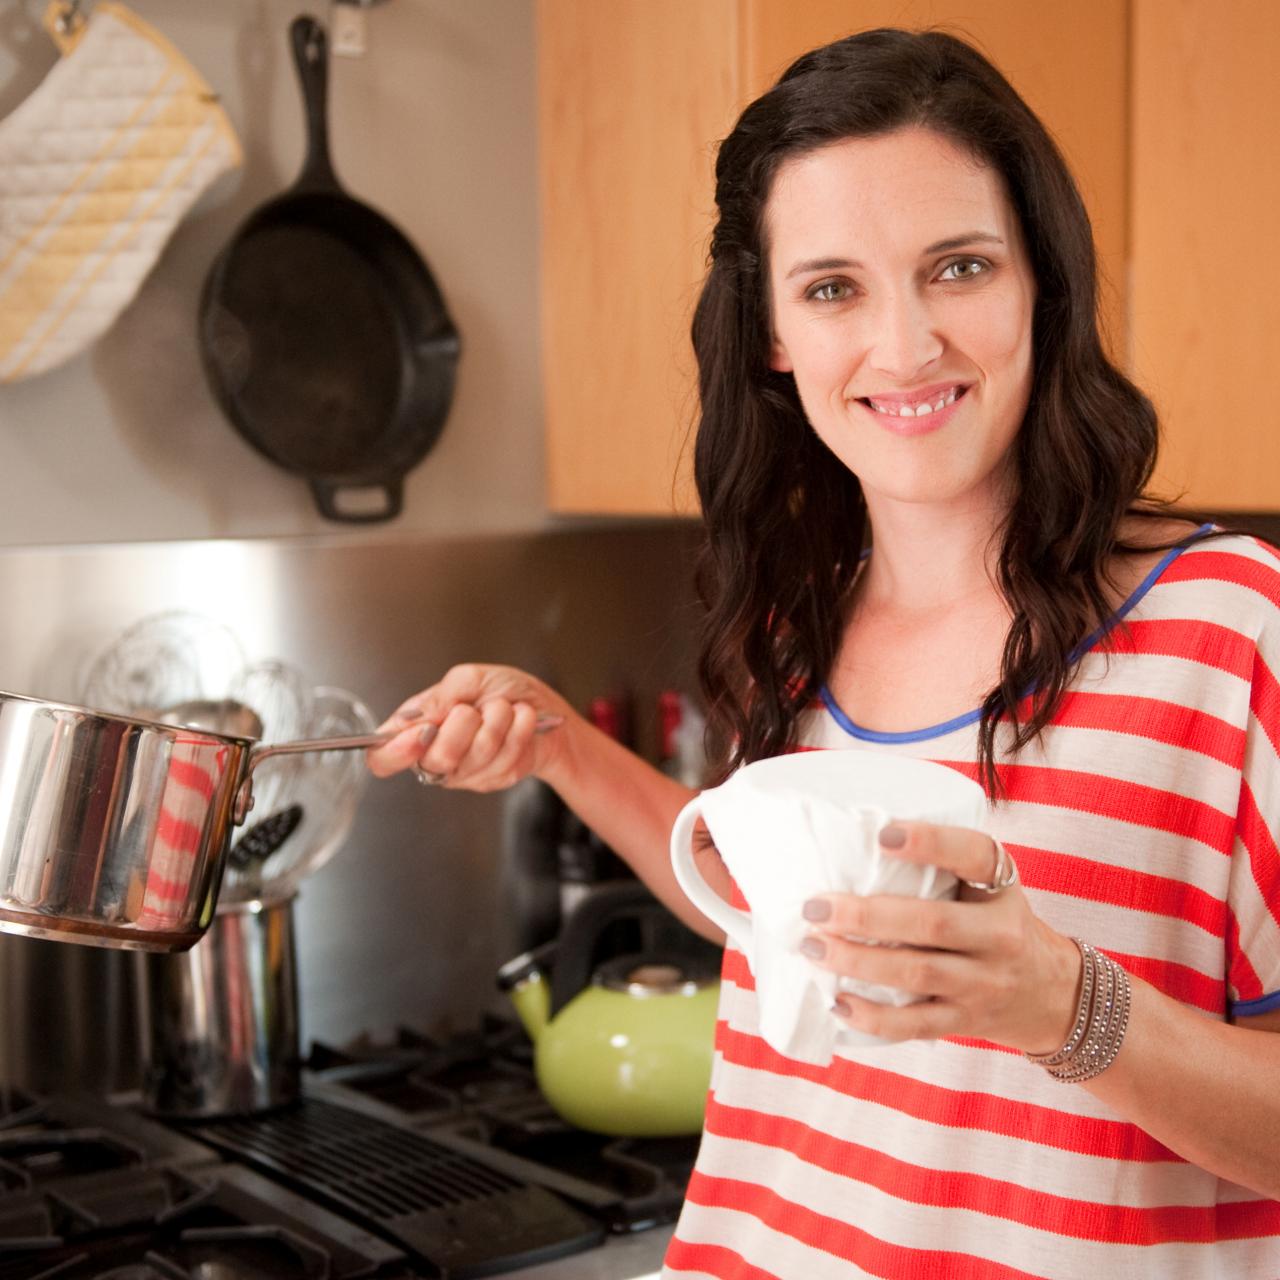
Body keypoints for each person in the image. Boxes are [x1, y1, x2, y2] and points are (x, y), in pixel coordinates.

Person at [368, 27, 1280, 1278]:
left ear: (1039, 286)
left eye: (956, 266)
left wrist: (1062, 1004)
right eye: (833, 286)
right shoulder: (801, 625)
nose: (904, 347)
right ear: (772, 336)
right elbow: (782, 918)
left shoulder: (1230, 634)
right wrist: (561, 746)